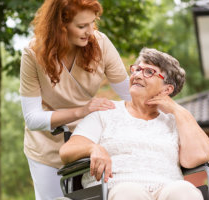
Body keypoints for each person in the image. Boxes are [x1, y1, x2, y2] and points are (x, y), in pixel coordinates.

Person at [59, 47, 209, 200]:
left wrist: (178, 110)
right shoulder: (106, 113)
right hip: (115, 188)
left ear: (167, 89)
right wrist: (93, 148)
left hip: (167, 189)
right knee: (129, 192)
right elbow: (67, 151)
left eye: (149, 72)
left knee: (185, 191)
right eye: (137, 69)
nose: (138, 75)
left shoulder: (175, 122)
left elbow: (198, 157)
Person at [19, 0, 131, 199]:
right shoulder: (33, 54)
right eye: (81, 26)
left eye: (92, 22)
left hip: (88, 140)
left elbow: (130, 93)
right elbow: (32, 118)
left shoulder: (100, 43)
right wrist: (81, 111)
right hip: (46, 145)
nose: (90, 31)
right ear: (60, 26)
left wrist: (169, 111)